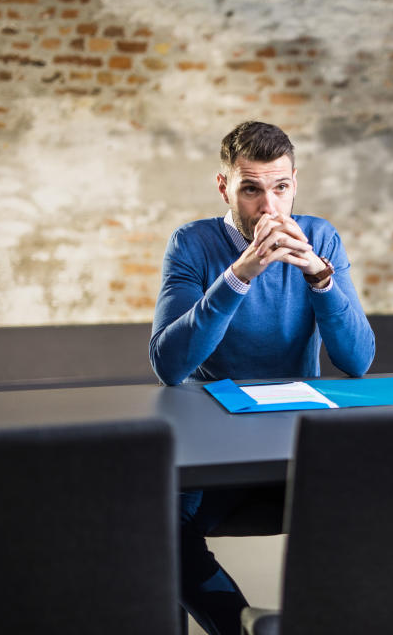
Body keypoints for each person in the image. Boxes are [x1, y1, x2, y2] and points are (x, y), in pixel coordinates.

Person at [149, 120, 375, 634]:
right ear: (225, 186)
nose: (269, 209)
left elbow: (358, 361)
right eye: (251, 190)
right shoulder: (192, 244)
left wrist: (320, 278)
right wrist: (238, 277)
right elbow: (169, 365)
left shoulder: (321, 237)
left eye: (281, 188)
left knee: (387, 503)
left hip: (297, 442)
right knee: (156, 527)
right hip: (216, 448)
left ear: (294, 181)